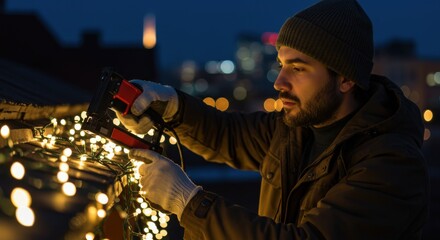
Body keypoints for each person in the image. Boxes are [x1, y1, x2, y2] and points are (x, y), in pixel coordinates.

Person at [117, 0, 430, 239]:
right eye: (281, 65)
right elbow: (229, 135)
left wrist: (189, 204)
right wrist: (172, 107)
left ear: (346, 79)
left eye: (297, 68)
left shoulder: (390, 165)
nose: (279, 82)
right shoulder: (296, 129)